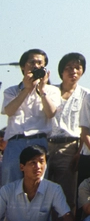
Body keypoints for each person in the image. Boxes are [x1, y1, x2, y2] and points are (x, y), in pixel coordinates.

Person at [0, 146, 71, 221]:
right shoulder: (7, 190)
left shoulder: (53, 188)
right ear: (22, 167)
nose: (38, 167)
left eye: (41, 162)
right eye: (32, 163)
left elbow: (67, 215)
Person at [2, 49, 61, 187]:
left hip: (38, 141)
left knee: (38, 184)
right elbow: (9, 111)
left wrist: (41, 90)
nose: (35, 66)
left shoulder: (52, 90)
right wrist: (27, 89)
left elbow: (51, 113)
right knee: (10, 183)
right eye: (32, 62)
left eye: (40, 63)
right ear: (23, 66)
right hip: (15, 142)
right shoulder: (11, 90)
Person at [46, 52, 89, 209]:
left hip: (70, 147)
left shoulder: (87, 95)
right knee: (43, 190)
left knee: (66, 193)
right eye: (69, 68)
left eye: (77, 68)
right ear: (61, 71)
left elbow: (87, 126)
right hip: (46, 145)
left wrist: (79, 151)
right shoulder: (50, 91)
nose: (73, 71)